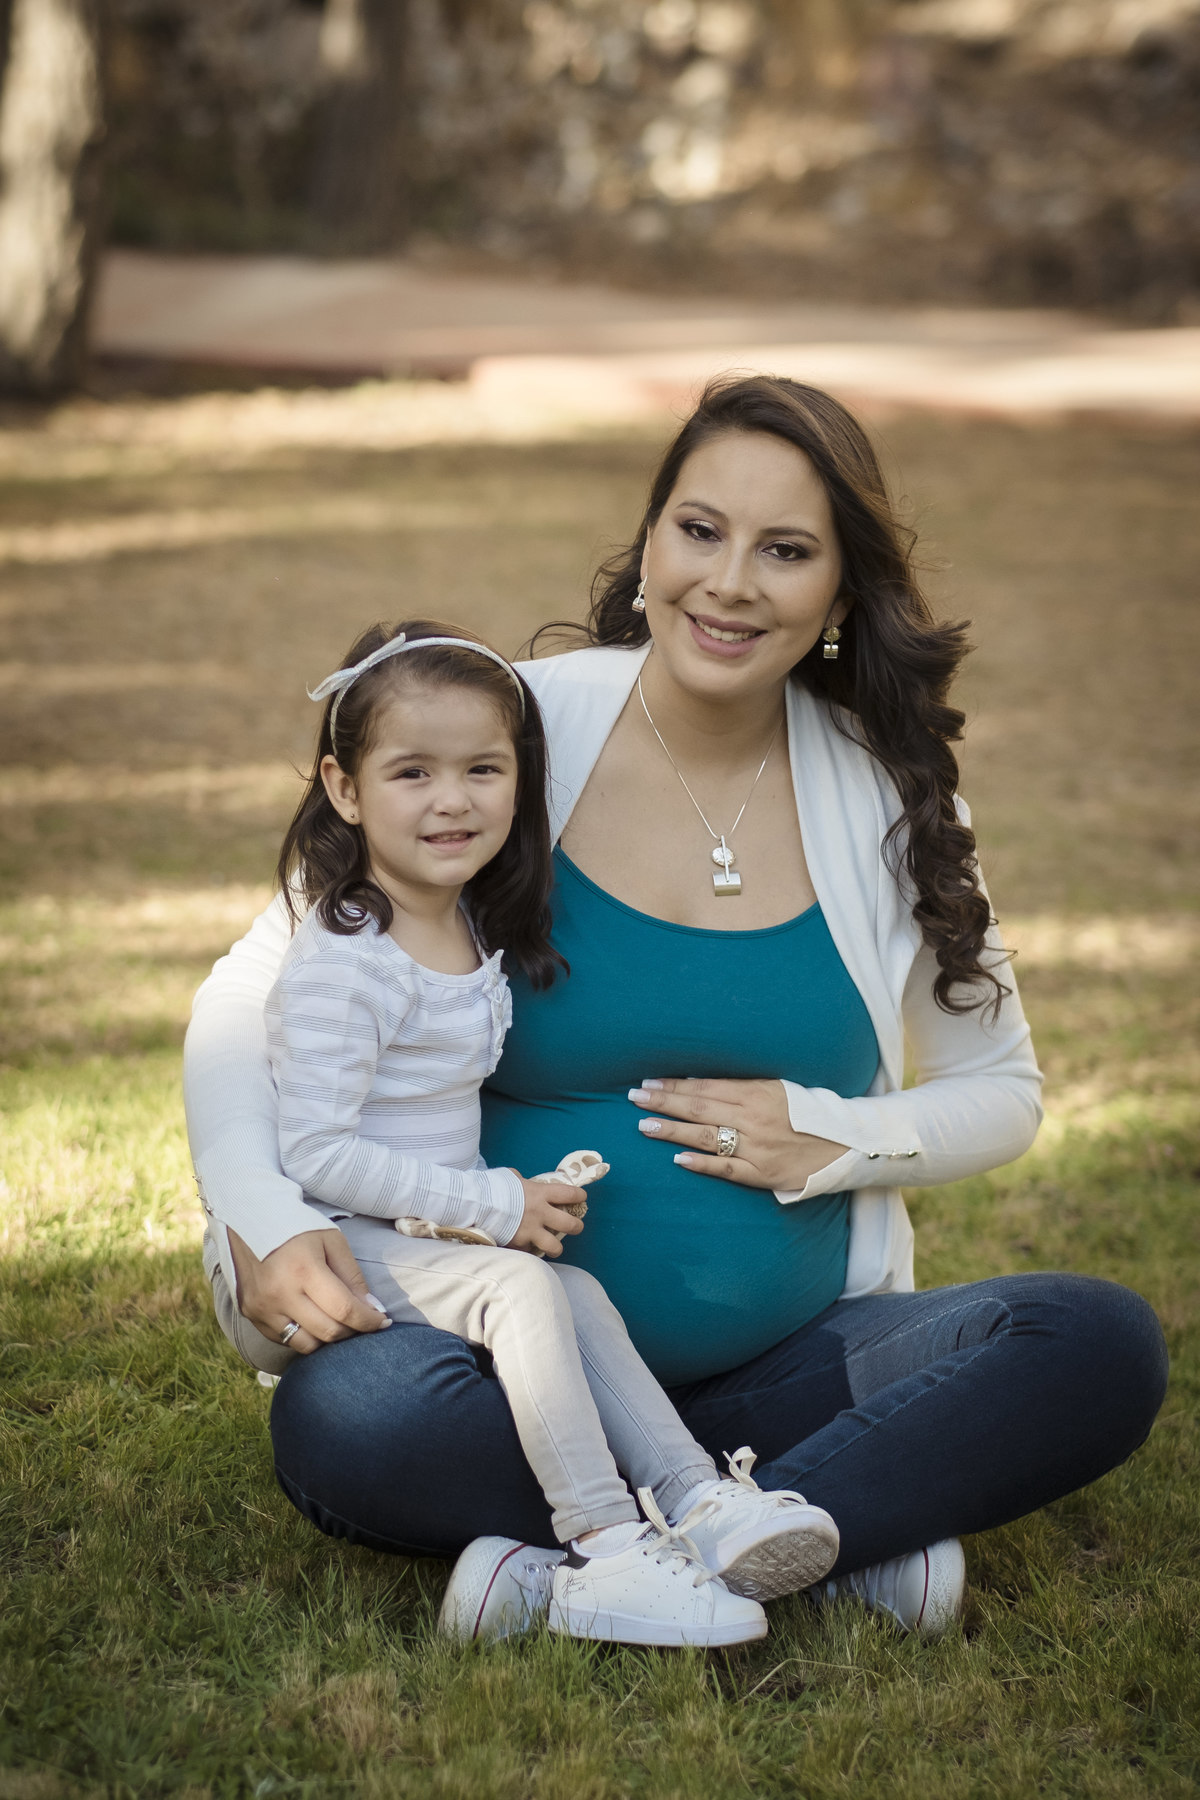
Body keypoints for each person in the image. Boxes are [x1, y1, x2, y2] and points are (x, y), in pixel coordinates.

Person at [184, 375, 1168, 1643]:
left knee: (1092, 1343)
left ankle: (610, 1560)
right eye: (699, 530)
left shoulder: (894, 800)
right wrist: (262, 1215)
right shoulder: (512, 735)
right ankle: (800, 1535)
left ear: (839, 596)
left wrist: (837, 1135)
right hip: (504, 1371)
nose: (731, 582)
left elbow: (1005, 1092)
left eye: (787, 551)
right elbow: (244, 992)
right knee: (355, 1420)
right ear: (649, 543)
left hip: (798, 1373)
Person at [257, 616, 842, 1646]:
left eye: (484, 768)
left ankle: (700, 1500)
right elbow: (313, 1152)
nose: (452, 800)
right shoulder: (348, 957)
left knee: (572, 1292)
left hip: (428, 1236)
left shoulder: (465, 916)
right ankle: (606, 1544)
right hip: (352, 1244)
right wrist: (497, 1205)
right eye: (411, 774)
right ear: (344, 790)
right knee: (526, 1284)